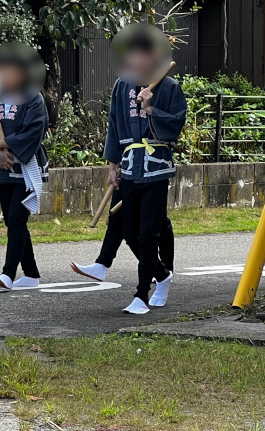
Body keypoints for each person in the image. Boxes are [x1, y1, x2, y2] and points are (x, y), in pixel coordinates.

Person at [101, 26, 186, 315]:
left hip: (156, 168)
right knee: (130, 232)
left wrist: (151, 109)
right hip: (129, 167)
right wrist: (112, 164)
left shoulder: (169, 87)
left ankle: (141, 295)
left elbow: (175, 126)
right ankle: (162, 274)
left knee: (149, 232)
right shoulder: (121, 87)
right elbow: (115, 125)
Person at [0, 43, 49, 291]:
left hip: (26, 168)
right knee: (12, 221)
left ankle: (8, 273)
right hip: (4, 168)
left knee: (17, 220)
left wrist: (4, 144)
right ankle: (31, 274)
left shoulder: (34, 98)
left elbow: (34, 130)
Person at [70, 188, 175, 282]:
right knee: (116, 217)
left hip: (153, 175)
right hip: (127, 172)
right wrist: (113, 167)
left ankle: (165, 269)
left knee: (158, 220)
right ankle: (101, 264)